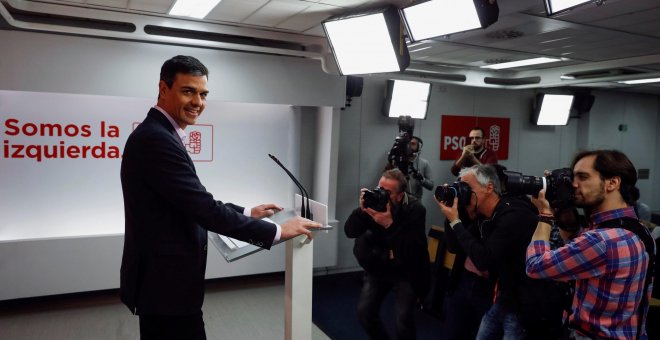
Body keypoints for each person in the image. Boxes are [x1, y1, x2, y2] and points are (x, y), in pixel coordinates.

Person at [119, 55, 321, 340]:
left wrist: (247, 212)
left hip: (166, 283)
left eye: (203, 94)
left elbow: (187, 201)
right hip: (166, 286)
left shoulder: (161, 133)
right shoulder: (156, 138)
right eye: (187, 91)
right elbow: (202, 208)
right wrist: (276, 231)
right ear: (163, 89)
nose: (198, 102)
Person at [526, 150, 655, 340]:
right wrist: (559, 202)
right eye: (572, 177)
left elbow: (535, 266)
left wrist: (545, 214)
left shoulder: (602, 241)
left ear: (612, 183)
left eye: (583, 177)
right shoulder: (639, 230)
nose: (573, 184)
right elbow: (576, 254)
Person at [434, 164, 537, 340]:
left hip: (521, 300)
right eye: (461, 187)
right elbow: (455, 246)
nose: (463, 192)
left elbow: (483, 259)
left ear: (489, 187)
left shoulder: (513, 214)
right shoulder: (482, 215)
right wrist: (451, 213)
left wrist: (455, 222)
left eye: (467, 188)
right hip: (500, 294)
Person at [345, 168, 430, 340]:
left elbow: (411, 250)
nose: (381, 194)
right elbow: (350, 231)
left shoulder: (415, 209)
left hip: (406, 270)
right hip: (380, 266)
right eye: (379, 188)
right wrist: (362, 210)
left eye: (387, 192)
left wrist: (389, 225)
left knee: (403, 321)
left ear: (399, 196)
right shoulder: (374, 203)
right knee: (365, 313)